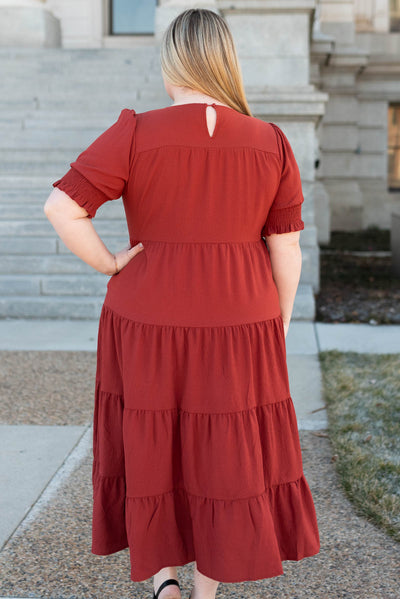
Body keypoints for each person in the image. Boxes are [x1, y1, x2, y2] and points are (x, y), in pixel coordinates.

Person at [44, 8, 320, 599]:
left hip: (145, 318)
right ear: (225, 60)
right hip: (240, 320)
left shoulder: (137, 131)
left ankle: (163, 579)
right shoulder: (270, 140)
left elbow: (62, 208)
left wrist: (110, 263)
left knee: (154, 439)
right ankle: (204, 593)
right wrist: (279, 321)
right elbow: (287, 250)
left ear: (172, 62)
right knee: (225, 451)